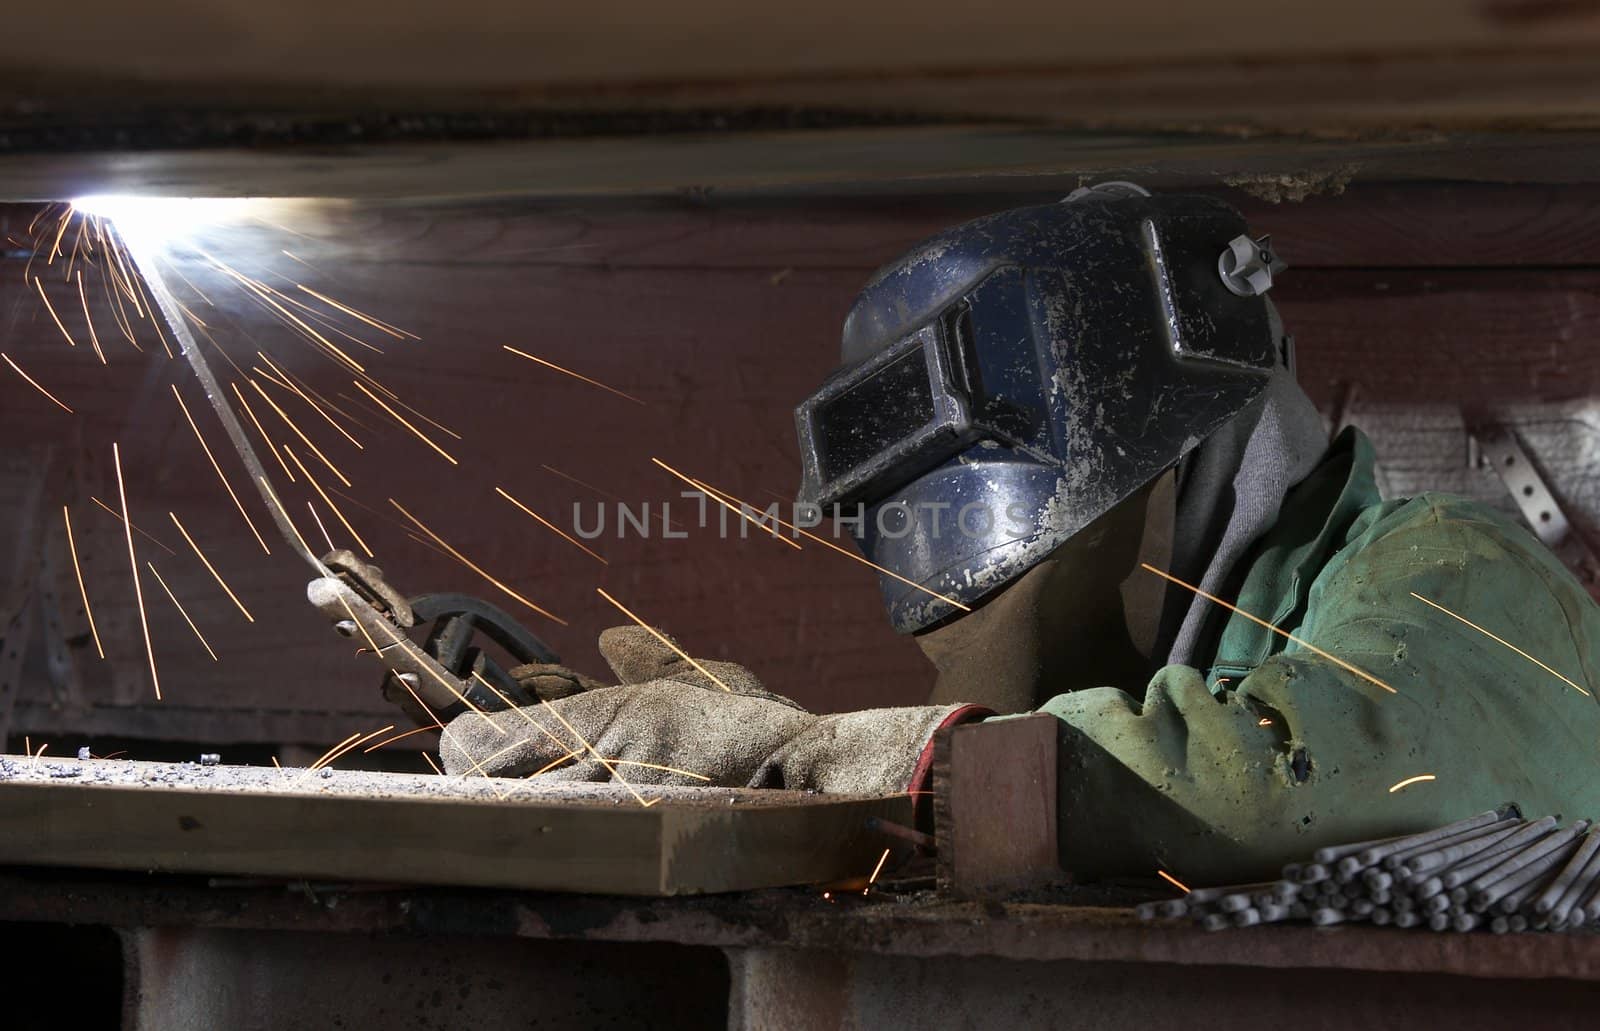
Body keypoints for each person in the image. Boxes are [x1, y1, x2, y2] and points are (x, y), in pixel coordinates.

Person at [440, 186, 1600, 884]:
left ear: (1181, 465)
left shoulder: (1453, 568)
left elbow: (1277, 779)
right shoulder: (1191, 663)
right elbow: (1042, 748)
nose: (983, 620)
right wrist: (759, 750)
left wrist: (820, 757)